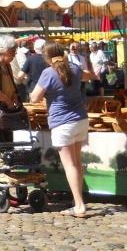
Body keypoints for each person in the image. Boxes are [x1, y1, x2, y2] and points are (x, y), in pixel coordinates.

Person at [30, 41, 90, 218]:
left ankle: (79, 205)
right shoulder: (73, 67)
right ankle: (76, 199)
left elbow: (34, 98)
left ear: (46, 58)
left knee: (70, 164)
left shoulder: (48, 73)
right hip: (81, 119)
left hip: (62, 123)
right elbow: (88, 76)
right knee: (77, 162)